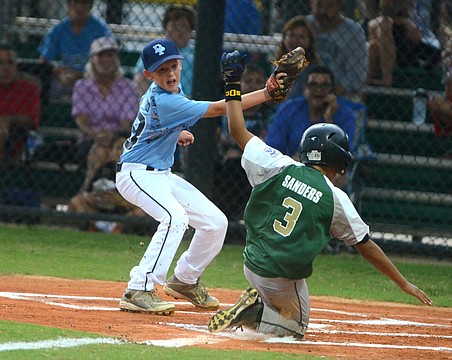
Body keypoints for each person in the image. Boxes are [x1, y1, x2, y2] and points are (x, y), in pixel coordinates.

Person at [207, 50, 433, 338]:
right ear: (338, 161)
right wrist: (403, 283)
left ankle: (262, 301)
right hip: (280, 277)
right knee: (295, 329)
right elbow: (365, 245)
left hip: (252, 262)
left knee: (285, 295)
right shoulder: (335, 197)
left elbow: (236, 128)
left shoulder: (278, 163)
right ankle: (258, 311)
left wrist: (232, 83)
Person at [115, 38, 284, 315]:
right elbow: (221, 108)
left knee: (215, 223)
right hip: (136, 173)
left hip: (160, 174)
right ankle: (138, 288)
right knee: (174, 218)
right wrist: (266, 93)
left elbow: (151, 124)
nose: (169, 74)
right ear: (148, 75)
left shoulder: (169, 92)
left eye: (173, 66)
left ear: (181, 64)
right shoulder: (165, 100)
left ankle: (185, 280)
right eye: (161, 71)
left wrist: (173, 132)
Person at [72, 36, 139, 193]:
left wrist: (113, 137)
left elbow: (126, 122)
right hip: (90, 139)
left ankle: (87, 188)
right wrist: (97, 136)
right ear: (92, 59)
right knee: (100, 148)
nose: (105, 60)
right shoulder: (82, 86)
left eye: (110, 55)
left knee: (115, 149)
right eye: (100, 56)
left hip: (121, 140)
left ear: (117, 59)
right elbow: (82, 121)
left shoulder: (128, 87)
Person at [215, 62, 274, 220]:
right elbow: (217, 139)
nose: (253, 86)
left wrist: (241, 153)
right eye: (248, 81)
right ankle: (226, 215)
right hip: (225, 165)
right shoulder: (225, 109)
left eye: (257, 82)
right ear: (239, 84)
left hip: (256, 164)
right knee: (227, 167)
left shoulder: (270, 116)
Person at [265, 65, 356, 159]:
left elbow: (342, 155)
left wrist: (328, 119)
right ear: (305, 89)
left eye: (324, 85)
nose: (318, 90)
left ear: (332, 90)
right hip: (292, 166)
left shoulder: (346, 115)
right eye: (313, 85)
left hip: (329, 168)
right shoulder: (288, 109)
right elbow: (273, 146)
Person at [38, 0, 112, 100]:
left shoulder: (101, 29)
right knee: (49, 88)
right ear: (68, 5)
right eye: (75, 3)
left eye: (83, 3)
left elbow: (109, 62)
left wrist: (79, 75)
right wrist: (58, 72)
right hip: (64, 78)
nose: (79, 7)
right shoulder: (59, 29)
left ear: (90, 5)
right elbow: (44, 60)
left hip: (92, 78)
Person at [366, 0, 442, 86]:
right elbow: (371, 19)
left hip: (402, 40)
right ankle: (386, 78)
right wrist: (403, 21)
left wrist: (406, 22)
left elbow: (414, 29)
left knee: (435, 55)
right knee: (383, 26)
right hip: (379, 32)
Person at [306, 0, 368, 101]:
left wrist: (326, 94)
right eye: (319, 5)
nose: (323, 11)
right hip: (306, 92)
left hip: (341, 94)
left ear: (339, 6)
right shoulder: (304, 25)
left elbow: (356, 75)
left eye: (329, 6)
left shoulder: (354, 32)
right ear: (311, 4)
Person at [133, 4, 196, 97]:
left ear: (190, 30)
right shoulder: (155, 49)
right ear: (166, 28)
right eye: (174, 26)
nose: (178, 30)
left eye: (183, 26)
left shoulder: (196, 53)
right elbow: (140, 78)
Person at [0, 41, 41, 166]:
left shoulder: (29, 87)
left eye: (10, 63)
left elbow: (32, 121)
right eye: (0, 63)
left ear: (16, 65)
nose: (5, 68)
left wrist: (9, 120)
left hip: (14, 138)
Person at [273, 15, 322, 99]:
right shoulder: (276, 64)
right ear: (284, 38)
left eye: (301, 37)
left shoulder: (313, 69)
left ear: (309, 42)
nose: (296, 40)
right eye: (292, 35)